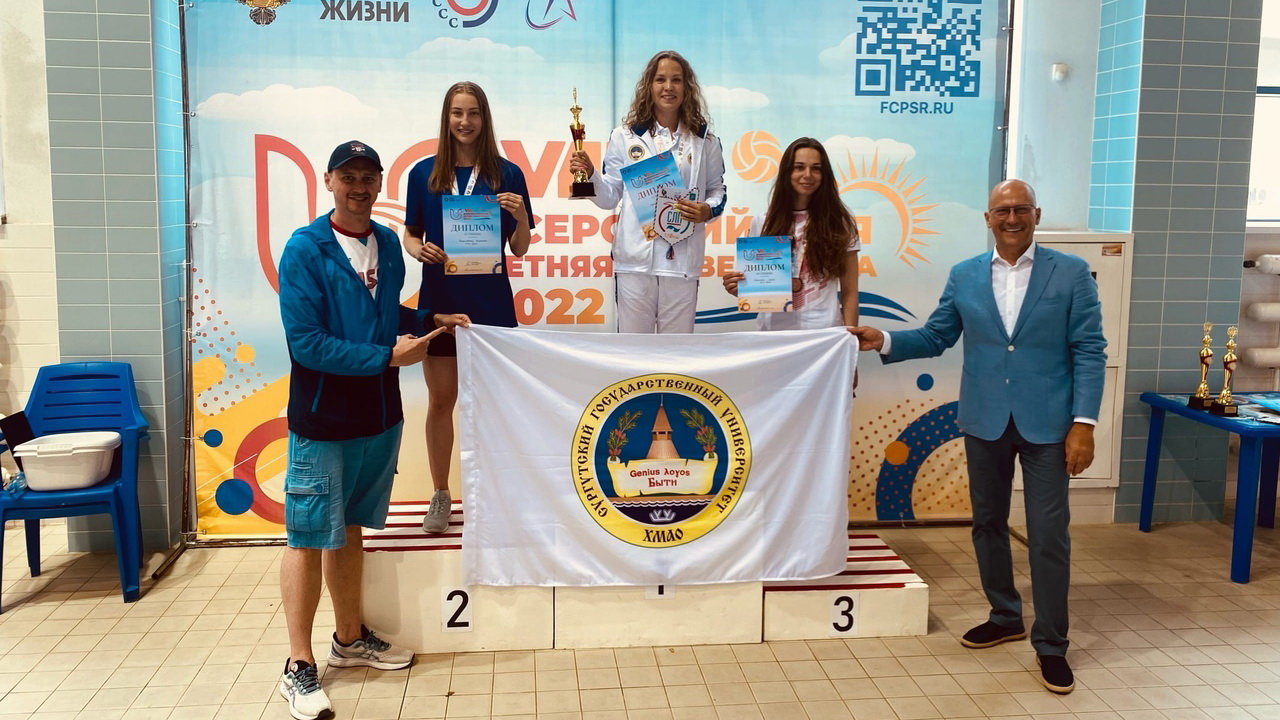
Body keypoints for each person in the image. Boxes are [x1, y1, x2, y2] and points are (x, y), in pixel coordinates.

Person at [849, 180, 1105, 695]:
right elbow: (938, 335)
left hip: (1049, 425)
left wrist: (1084, 423)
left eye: (1021, 209)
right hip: (985, 420)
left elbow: (1089, 349)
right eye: (1001, 211)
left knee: (1048, 535)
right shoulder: (965, 274)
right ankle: (1005, 615)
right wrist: (886, 339)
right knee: (987, 524)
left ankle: (1051, 644)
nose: (1012, 218)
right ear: (987, 219)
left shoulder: (1071, 272)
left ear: (1037, 214)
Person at [277, 140, 470, 720]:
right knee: (308, 537)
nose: (360, 188)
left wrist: (428, 318)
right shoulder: (305, 249)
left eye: (369, 178)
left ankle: (349, 637)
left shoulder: (386, 244)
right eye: (349, 177)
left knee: (351, 529)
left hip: (378, 416)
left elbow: (384, 317)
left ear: (379, 183)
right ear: (329, 181)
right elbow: (307, 343)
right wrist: (386, 357)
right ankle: (297, 663)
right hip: (323, 417)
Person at [403, 82, 534, 533]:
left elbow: (520, 247)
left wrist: (521, 216)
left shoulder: (508, 174)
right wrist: (417, 249)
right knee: (442, 401)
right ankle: (441, 494)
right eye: (457, 113)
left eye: (473, 113)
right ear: (447, 118)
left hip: (491, 303)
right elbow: (411, 233)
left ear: (484, 118)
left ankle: (496, 494)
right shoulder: (423, 174)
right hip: (441, 300)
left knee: (496, 405)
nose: (465, 122)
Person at [569, 50, 727, 333]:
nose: (669, 87)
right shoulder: (625, 136)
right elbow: (610, 196)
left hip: (681, 261)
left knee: (675, 350)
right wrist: (590, 174)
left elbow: (717, 190)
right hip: (634, 262)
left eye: (676, 80)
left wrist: (707, 210)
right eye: (660, 79)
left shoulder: (705, 140)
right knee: (633, 349)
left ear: (687, 87)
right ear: (649, 86)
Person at [721, 137, 860, 329]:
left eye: (816, 168)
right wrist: (740, 288)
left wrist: (851, 335)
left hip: (824, 332)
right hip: (775, 331)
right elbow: (757, 286)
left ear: (825, 175)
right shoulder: (763, 221)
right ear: (787, 172)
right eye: (799, 167)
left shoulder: (840, 222)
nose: (808, 175)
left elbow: (850, 291)